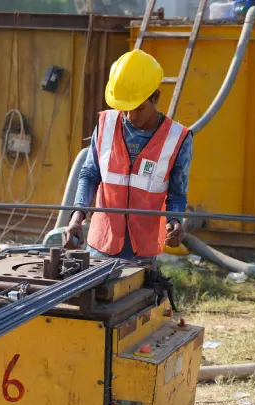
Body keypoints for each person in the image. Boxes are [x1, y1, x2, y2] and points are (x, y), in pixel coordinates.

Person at [62, 49, 193, 267]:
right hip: (100, 244)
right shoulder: (106, 124)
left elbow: (177, 195)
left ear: (156, 97)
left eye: (138, 108)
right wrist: (76, 217)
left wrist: (176, 222)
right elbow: (89, 174)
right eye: (125, 109)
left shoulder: (177, 139)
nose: (131, 117)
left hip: (143, 251)